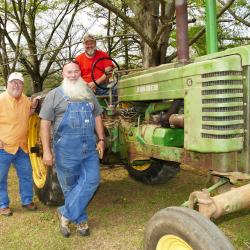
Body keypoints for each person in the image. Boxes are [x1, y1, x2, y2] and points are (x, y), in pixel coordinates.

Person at [39, 61, 105, 238]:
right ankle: (81, 219)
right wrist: (46, 150)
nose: (73, 75)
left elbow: (97, 116)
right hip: (66, 150)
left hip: (89, 148)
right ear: (63, 74)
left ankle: (66, 213)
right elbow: (44, 124)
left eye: (76, 71)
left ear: (79, 73)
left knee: (92, 180)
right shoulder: (54, 95)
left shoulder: (88, 93)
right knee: (70, 187)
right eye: (69, 72)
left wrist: (101, 139)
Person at [0, 72, 39, 216]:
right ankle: (3, 204)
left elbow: (27, 115)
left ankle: (27, 200)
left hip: (22, 147)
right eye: (13, 82)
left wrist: (33, 107)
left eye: (20, 83)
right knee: (0, 178)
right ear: (7, 85)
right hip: (4, 147)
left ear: (23, 86)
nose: (16, 85)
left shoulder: (25, 99)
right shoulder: (1, 99)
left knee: (27, 175)